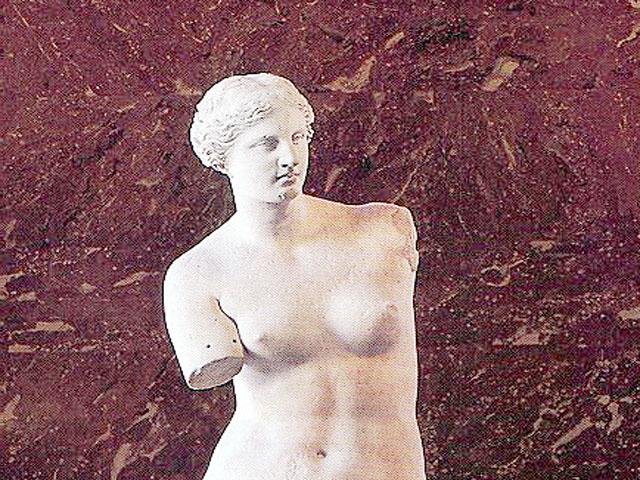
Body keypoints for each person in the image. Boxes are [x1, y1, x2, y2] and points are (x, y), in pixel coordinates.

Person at [163, 73, 426, 480]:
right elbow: (208, 367)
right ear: (224, 158)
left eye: (298, 138)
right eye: (266, 144)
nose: (289, 157)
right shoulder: (198, 273)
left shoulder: (383, 230)